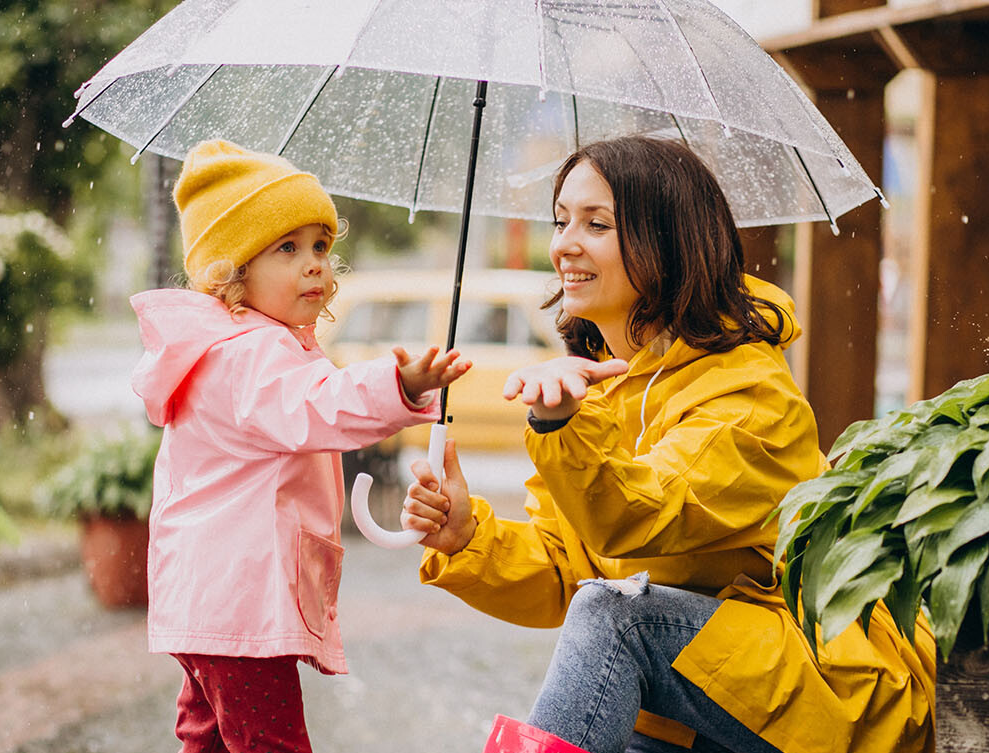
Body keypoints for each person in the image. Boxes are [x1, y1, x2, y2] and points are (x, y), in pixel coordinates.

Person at [401, 136, 935, 753]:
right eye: (561, 220)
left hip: (829, 683)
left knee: (615, 618)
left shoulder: (750, 394)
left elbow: (636, 520)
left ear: (669, 243)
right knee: (610, 632)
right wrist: (466, 536)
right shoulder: (604, 388)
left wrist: (559, 428)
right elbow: (568, 569)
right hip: (694, 694)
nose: (564, 244)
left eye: (597, 224)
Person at [129, 140, 470, 753]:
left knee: (210, 740)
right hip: (241, 599)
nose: (315, 264)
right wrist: (399, 386)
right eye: (287, 248)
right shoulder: (250, 353)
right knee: (272, 743)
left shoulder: (230, 345)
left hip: (211, 598)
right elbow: (318, 405)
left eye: (320, 246)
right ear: (232, 272)